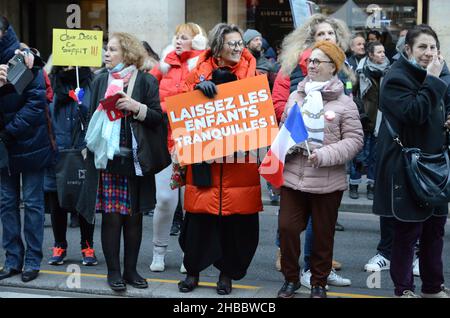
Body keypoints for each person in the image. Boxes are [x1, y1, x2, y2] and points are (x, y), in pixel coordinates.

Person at [77, 32, 170, 292]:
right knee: (112, 218)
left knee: (134, 219)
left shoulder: (146, 81)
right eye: (106, 49)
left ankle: (131, 271)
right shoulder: (99, 80)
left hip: (136, 160)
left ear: (127, 53)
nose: (106, 53)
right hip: (107, 160)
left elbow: (156, 118)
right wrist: (80, 101)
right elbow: (89, 118)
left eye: (113, 49)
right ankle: (114, 272)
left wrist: (135, 106)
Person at [178, 23, 262, 296]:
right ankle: (193, 271)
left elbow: (261, 120)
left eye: (240, 43)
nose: (238, 48)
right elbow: (179, 113)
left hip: (240, 164)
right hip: (205, 164)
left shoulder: (254, 76)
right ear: (218, 46)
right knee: (199, 223)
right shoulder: (195, 75)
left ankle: (227, 274)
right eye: (232, 44)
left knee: (236, 226)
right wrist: (197, 96)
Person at [277, 41, 363, 298]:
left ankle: (318, 282)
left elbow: (355, 140)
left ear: (333, 67)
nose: (311, 65)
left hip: (327, 180)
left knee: (322, 238)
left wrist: (324, 155)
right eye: (310, 61)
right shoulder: (296, 96)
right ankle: (291, 279)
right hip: (294, 177)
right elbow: (284, 132)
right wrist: (288, 145)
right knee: (287, 229)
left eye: (318, 61)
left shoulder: (345, 103)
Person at [374, 24, 450, 298]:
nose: (429, 53)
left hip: (437, 166)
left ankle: (432, 287)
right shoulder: (395, 78)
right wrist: (432, 80)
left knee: (435, 232)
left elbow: (446, 105)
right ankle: (404, 288)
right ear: (408, 50)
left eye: (433, 47)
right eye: (422, 47)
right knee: (408, 233)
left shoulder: (442, 75)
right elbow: (414, 113)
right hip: (407, 167)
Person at [0, 17, 55, 283]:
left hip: (29, 142)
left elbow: (35, 103)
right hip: (3, 147)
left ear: (2, 32)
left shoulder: (22, 58)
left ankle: (32, 261)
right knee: (7, 204)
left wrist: (8, 130)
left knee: (33, 204)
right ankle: (12, 260)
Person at [149, 22, 207, 273]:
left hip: (194, 142)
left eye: (184, 37)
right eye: (176, 37)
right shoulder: (163, 64)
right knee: (164, 200)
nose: (178, 40)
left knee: (191, 204)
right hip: (166, 141)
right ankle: (158, 250)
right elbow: (146, 92)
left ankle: (189, 255)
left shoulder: (205, 66)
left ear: (196, 41)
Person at [45, 66, 97, 266]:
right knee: (57, 200)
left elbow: (94, 114)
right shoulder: (51, 82)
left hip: (82, 149)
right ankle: (59, 245)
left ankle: (87, 246)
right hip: (56, 149)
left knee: (84, 199)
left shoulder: (91, 82)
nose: (68, 65)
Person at [349, 41, 390, 200]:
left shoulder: (389, 71)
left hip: (380, 120)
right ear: (371, 55)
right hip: (362, 119)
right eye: (379, 52)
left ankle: (371, 186)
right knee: (358, 155)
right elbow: (350, 92)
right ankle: (354, 185)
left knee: (375, 156)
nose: (383, 54)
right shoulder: (359, 71)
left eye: (383, 51)